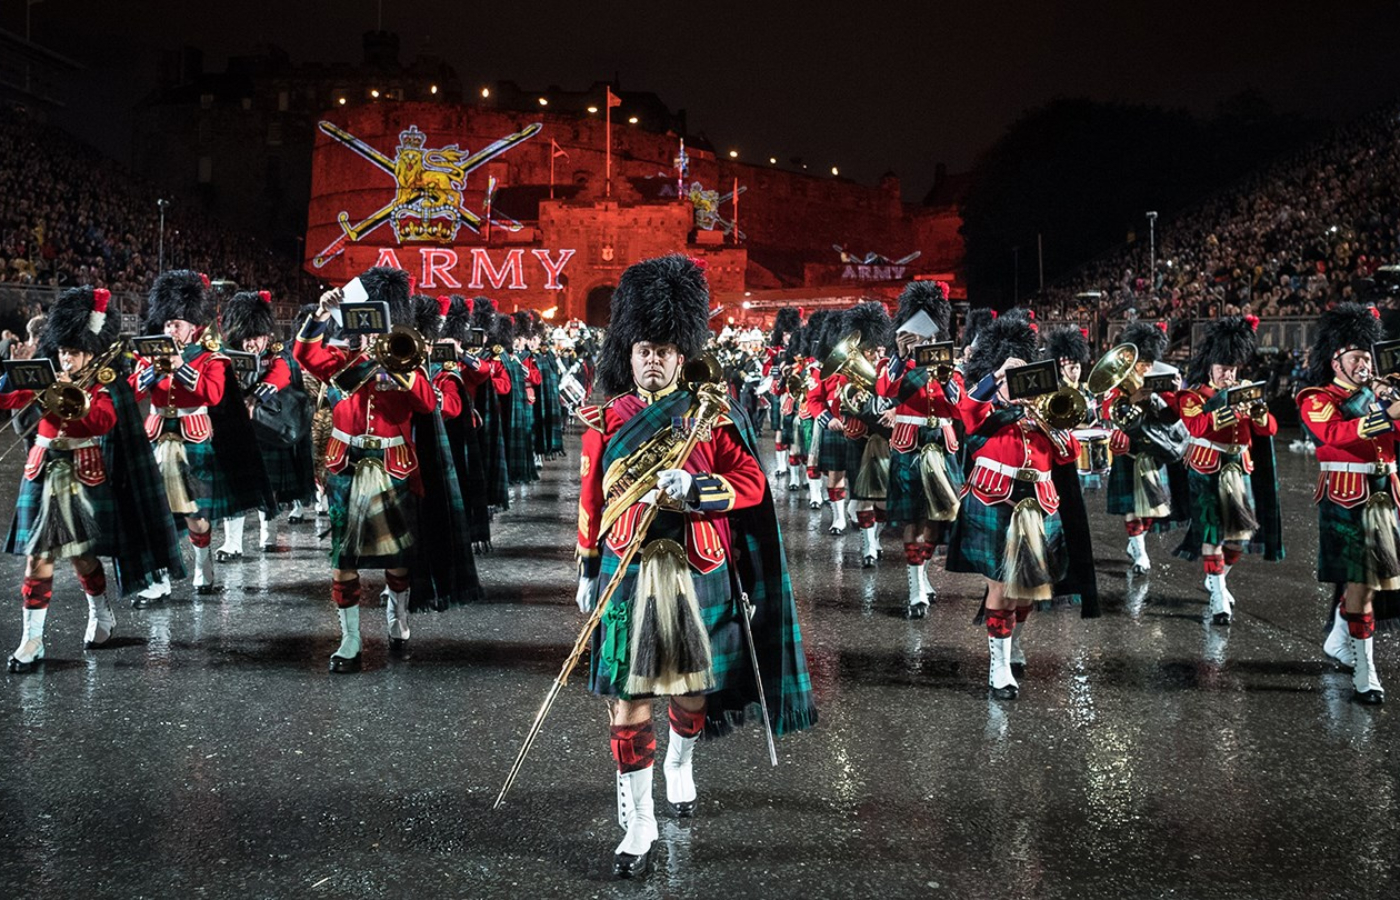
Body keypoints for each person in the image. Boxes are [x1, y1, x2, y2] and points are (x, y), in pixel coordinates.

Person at [574, 255, 816, 878]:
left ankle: (680, 762)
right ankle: (639, 820)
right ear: (627, 354)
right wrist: (584, 564)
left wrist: (700, 487)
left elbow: (753, 485)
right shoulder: (606, 420)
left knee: (691, 691)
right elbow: (592, 496)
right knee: (627, 698)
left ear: (683, 355)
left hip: (697, 563)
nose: (651, 359)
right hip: (624, 567)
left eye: (663, 350)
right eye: (641, 349)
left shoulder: (709, 415)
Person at [293, 267, 480, 672]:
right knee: (343, 557)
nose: (375, 337)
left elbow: (429, 405)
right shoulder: (343, 360)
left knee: (397, 557)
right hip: (347, 465)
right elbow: (305, 355)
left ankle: (398, 614)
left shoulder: (408, 363)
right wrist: (322, 316)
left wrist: (402, 371)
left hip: (394, 467)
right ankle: (351, 638)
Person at [2, 287, 182, 671]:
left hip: (83, 472)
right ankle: (32, 640)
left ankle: (101, 613)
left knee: (83, 557)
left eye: (74, 351)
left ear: (90, 350)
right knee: (39, 558)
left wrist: (64, 397)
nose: (66, 357)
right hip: (43, 469)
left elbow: (104, 419)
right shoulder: (44, 374)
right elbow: (6, 400)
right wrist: (10, 374)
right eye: (63, 350)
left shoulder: (102, 381)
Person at [946, 314, 1096, 699]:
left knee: (1028, 588)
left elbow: (1068, 454)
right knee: (1001, 587)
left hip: (1039, 502)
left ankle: (1012, 644)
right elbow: (967, 414)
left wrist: (1052, 423)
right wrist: (995, 379)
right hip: (994, 497)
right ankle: (998, 668)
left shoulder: (1043, 410)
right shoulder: (988, 404)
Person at [130, 271, 273, 605]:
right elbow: (131, 390)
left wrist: (180, 367)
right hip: (157, 436)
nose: (169, 330)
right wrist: (153, 370)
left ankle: (202, 565)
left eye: (176, 324)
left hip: (193, 439)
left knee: (196, 514)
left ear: (193, 326)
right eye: (166, 324)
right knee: (157, 514)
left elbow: (212, 394)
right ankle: (160, 579)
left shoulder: (211, 358)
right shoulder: (148, 354)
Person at [1296, 303, 1397, 704]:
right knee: (1365, 581)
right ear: (1336, 359)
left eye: (1367, 356)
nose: (1364, 364)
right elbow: (1334, 434)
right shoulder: (1316, 396)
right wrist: (1385, 411)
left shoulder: (1383, 391)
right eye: (1356, 356)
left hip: (1386, 493)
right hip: (1346, 494)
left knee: (1373, 582)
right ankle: (1363, 670)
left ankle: (1342, 633)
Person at [1174, 315, 1283, 625]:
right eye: (1223, 369)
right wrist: (1228, 405)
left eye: (1233, 369)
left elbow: (1270, 430)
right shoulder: (1192, 396)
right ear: (1211, 367)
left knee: (1239, 536)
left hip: (1238, 467)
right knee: (1211, 532)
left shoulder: (1246, 391)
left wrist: (1258, 412)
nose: (1228, 374)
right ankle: (1219, 592)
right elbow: (1197, 425)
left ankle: (1216, 576)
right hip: (1206, 467)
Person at [878, 282, 963, 616]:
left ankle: (923, 573)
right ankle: (915, 589)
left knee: (935, 519)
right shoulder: (899, 364)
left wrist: (943, 378)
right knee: (913, 517)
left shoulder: (949, 368)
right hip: (910, 444)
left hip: (940, 445)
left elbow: (958, 406)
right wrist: (900, 357)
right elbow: (885, 390)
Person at [215, 290, 315, 559]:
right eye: (247, 337)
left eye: (257, 337)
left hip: (268, 424)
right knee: (234, 485)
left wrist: (255, 398)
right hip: (235, 427)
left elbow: (281, 373)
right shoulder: (225, 353)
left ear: (266, 334)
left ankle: (267, 534)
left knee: (269, 483)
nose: (251, 344)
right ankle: (232, 543)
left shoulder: (277, 352)